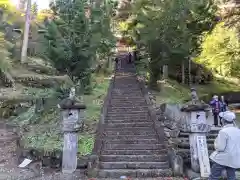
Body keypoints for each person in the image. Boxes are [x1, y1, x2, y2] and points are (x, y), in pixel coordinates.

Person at [209, 111, 240, 180]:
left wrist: (215, 143)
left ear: (223, 120)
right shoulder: (238, 130)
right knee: (231, 177)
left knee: (213, 176)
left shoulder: (223, 131)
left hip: (223, 158)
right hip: (234, 158)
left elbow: (220, 148)